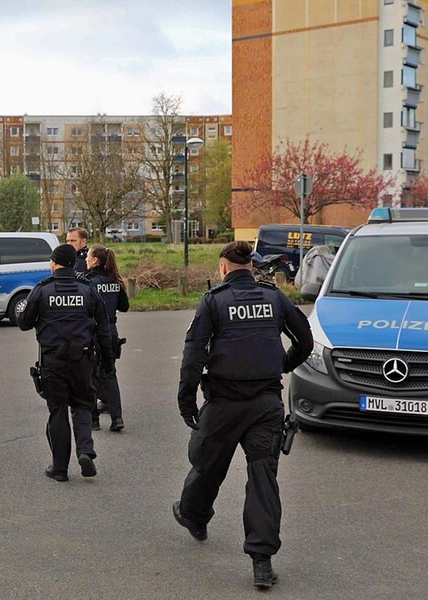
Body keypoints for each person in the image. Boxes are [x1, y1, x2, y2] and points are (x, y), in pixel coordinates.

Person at [172, 240, 313, 590]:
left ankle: (194, 516)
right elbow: (305, 342)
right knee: (263, 477)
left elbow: (194, 356)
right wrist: (279, 366)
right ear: (251, 267)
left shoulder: (214, 301)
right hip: (266, 403)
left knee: (207, 464)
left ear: (223, 268)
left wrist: (186, 401)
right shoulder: (275, 298)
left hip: (223, 403)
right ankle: (262, 563)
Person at [18, 243, 113, 482]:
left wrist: (23, 309)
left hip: (53, 360)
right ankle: (85, 451)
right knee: (82, 405)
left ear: (54, 262)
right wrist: (108, 361)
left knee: (57, 410)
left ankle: (59, 468)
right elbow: (103, 328)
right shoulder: (88, 289)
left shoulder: (42, 289)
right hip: (82, 358)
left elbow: (24, 322)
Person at [84, 245, 129, 432]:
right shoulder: (116, 280)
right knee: (110, 373)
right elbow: (124, 306)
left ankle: (93, 420)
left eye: (88, 256)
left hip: (93, 332)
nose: (85, 259)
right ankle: (117, 417)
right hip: (112, 331)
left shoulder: (88, 282)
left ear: (95, 260)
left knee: (90, 375)